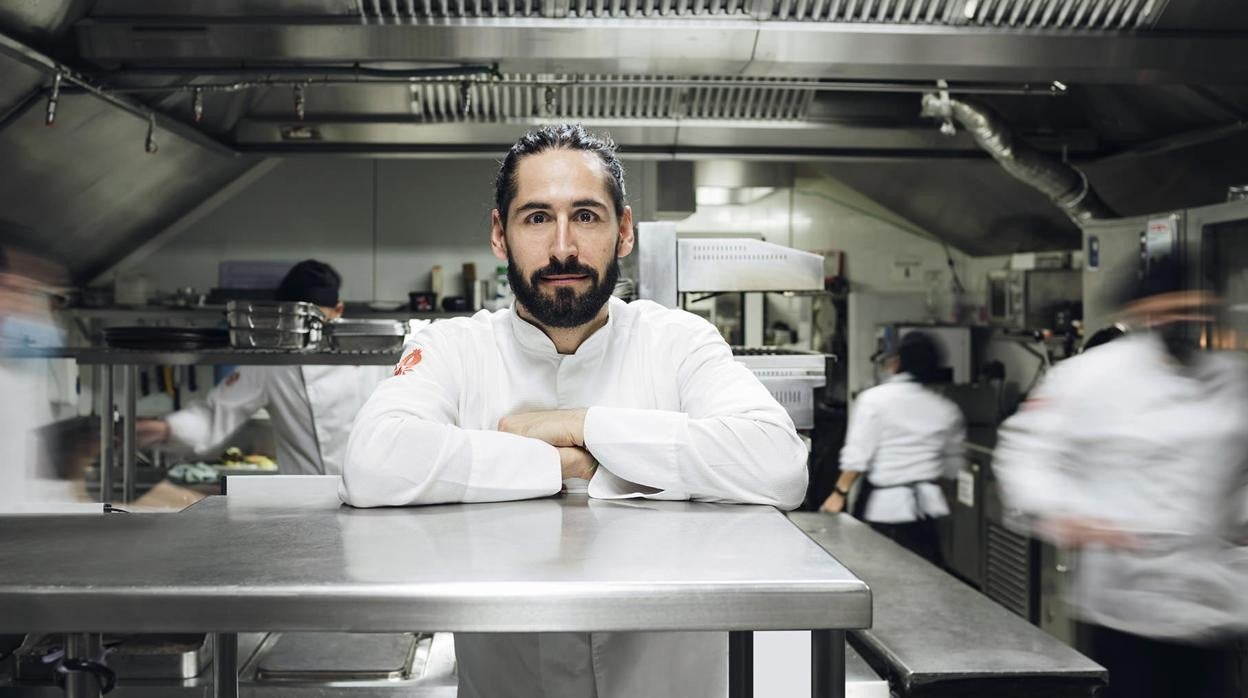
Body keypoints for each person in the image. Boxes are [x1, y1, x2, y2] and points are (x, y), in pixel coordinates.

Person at [340, 123, 808, 698]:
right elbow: (371, 463)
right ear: (499, 234)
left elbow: (780, 463)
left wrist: (586, 427)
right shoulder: (453, 348)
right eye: (537, 217)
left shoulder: (680, 342)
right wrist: (564, 465)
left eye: (586, 215)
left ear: (624, 230)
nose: (563, 247)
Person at [993, 258, 1248, 698]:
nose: (1182, 320)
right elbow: (1025, 452)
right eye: (1171, 309)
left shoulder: (1231, 378)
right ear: (1144, 311)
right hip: (1125, 606)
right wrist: (1067, 516)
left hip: (1214, 607)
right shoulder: (1091, 376)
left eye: (1195, 309)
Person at [138, 260, 391, 476]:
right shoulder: (273, 362)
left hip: (371, 496)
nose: (303, 332)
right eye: (294, 321)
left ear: (338, 311)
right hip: (304, 506)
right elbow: (215, 415)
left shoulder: (370, 351)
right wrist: (165, 430)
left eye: (314, 322)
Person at [819, 331, 965, 565]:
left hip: (885, 510)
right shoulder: (947, 409)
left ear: (897, 362)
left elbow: (858, 457)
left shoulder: (874, 400)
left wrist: (839, 494)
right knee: (929, 580)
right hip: (928, 512)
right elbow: (952, 469)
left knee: (883, 580)